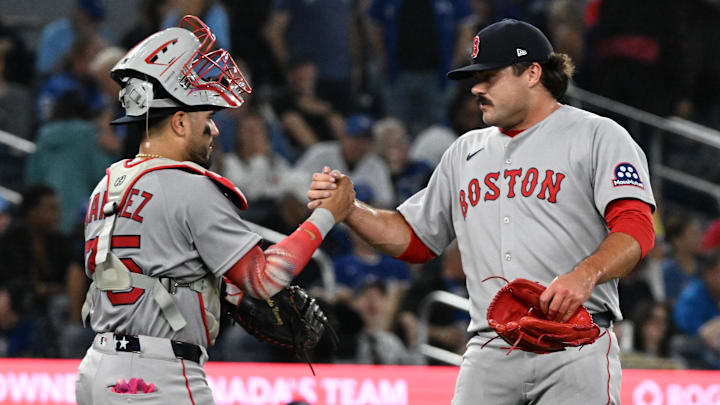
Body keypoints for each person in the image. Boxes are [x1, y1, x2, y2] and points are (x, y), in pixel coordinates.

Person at [308, 19, 656, 404]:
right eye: (476, 77)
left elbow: (636, 228)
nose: (476, 88)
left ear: (533, 73)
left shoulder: (597, 135)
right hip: (491, 348)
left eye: (490, 76)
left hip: (574, 344)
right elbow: (415, 239)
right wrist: (351, 210)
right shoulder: (465, 150)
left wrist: (585, 274)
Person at [75, 17, 355, 405]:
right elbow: (264, 278)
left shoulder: (108, 183)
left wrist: (219, 292)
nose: (216, 130)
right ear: (178, 121)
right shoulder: (190, 185)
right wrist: (328, 215)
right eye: (206, 118)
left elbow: (153, 268)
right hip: (155, 375)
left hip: (98, 367)